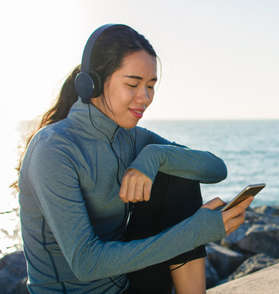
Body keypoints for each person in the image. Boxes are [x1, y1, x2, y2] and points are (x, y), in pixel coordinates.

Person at [14, 24, 254, 294]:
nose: (145, 97)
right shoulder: (54, 149)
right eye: (132, 84)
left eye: (151, 86)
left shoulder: (131, 137)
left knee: (178, 172)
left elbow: (215, 169)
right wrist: (196, 232)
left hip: (126, 286)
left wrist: (156, 156)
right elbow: (86, 263)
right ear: (92, 82)